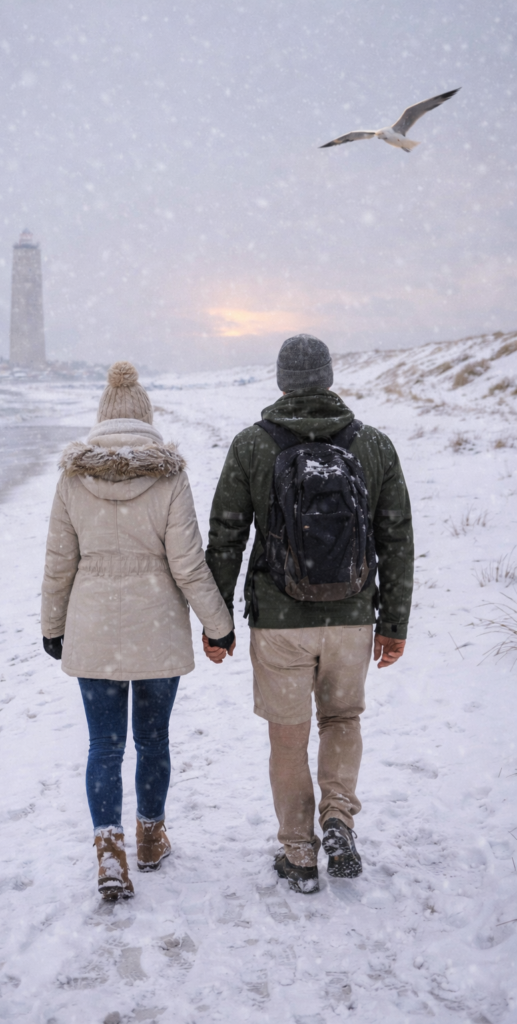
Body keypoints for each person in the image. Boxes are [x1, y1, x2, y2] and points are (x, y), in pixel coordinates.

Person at [204, 335, 413, 894]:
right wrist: (394, 623)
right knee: (342, 719)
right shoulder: (373, 445)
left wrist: (216, 622)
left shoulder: (251, 445)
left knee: (288, 735)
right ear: (327, 378)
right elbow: (396, 539)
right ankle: (339, 817)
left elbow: (226, 535)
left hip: (278, 621)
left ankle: (298, 851)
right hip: (351, 617)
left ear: (281, 382)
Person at [41, 362, 234, 901]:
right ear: (147, 418)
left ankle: (109, 853)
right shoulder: (170, 476)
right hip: (157, 631)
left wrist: (51, 626)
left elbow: (60, 561)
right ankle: (150, 837)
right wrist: (219, 627)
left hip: (94, 629)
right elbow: (189, 564)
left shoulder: (73, 477)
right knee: (152, 741)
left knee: (104, 746)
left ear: (101, 419)